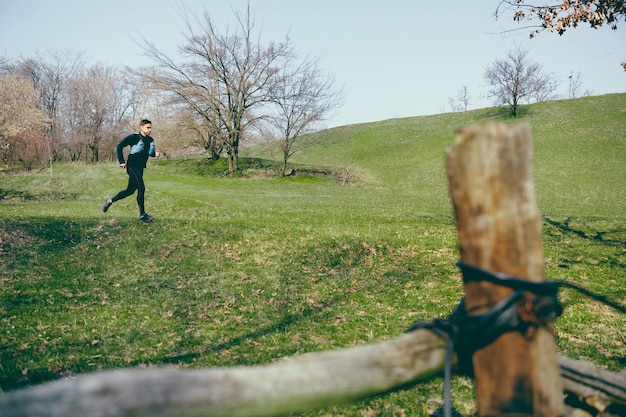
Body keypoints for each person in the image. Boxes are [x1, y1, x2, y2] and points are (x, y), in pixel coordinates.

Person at [102, 119, 157, 223]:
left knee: (130, 191)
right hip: (132, 166)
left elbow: (149, 153)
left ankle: (110, 201)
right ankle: (142, 215)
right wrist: (121, 161)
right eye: (148, 127)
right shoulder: (134, 137)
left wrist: (155, 154)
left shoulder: (150, 140)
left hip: (140, 168)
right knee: (141, 187)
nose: (150, 130)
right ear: (141, 127)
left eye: (151, 128)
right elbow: (119, 146)